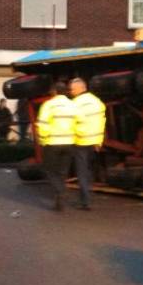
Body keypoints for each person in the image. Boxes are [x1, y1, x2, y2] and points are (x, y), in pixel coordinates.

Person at [36, 81, 77, 211]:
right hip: (69, 142)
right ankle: (59, 201)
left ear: (54, 91)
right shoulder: (73, 105)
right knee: (63, 172)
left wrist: (42, 140)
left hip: (52, 143)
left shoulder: (48, 105)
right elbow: (80, 122)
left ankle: (60, 192)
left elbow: (42, 125)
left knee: (49, 171)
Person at [70, 77, 106, 210]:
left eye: (72, 89)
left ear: (80, 88)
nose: (71, 91)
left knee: (81, 171)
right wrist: (99, 141)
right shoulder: (97, 102)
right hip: (94, 141)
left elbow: (71, 122)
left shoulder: (74, 104)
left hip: (80, 140)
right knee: (89, 169)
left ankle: (85, 201)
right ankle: (88, 195)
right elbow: (102, 121)